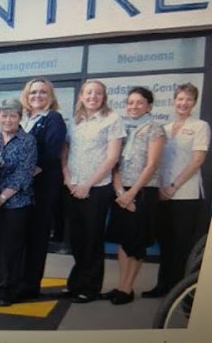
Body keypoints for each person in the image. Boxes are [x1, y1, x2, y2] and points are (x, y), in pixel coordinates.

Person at [60, 80, 126, 303]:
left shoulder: (112, 119)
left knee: (92, 239)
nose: (93, 96)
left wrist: (87, 184)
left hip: (96, 188)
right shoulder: (75, 120)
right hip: (72, 186)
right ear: (81, 96)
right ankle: (75, 283)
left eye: (98, 93)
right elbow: (65, 150)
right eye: (89, 93)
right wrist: (68, 178)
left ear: (104, 97)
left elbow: (112, 158)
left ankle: (91, 288)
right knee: (77, 239)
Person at [144, 83, 210, 299]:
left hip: (186, 195)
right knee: (165, 242)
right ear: (174, 101)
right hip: (163, 193)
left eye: (189, 99)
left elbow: (197, 160)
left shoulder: (200, 126)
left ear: (194, 103)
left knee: (182, 244)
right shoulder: (164, 128)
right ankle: (163, 285)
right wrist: (162, 188)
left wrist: (173, 186)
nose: (183, 103)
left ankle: (181, 292)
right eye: (180, 99)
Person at [102, 87, 164, 305]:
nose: (133, 106)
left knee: (136, 242)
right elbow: (114, 162)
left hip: (143, 191)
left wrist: (132, 194)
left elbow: (152, 165)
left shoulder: (155, 129)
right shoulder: (123, 128)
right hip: (121, 191)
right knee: (122, 239)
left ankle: (128, 288)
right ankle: (120, 285)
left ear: (148, 105)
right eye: (130, 102)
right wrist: (120, 192)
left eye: (139, 102)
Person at [17, 78, 67, 299]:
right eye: (33, 92)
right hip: (23, 186)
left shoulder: (53, 119)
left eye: (42, 92)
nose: (37, 96)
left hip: (42, 186)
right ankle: (17, 280)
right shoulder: (24, 119)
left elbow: (51, 152)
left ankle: (30, 286)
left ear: (50, 96)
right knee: (21, 236)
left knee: (37, 236)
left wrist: (25, 175)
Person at [0, 98, 37, 307]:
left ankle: (5, 291)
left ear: (20, 117)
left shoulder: (28, 141)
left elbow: (24, 174)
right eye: (4, 115)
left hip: (17, 203)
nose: (8, 120)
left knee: (10, 249)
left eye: (13, 116)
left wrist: (3, 197)